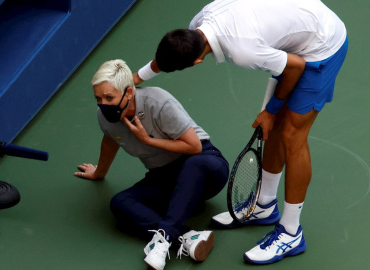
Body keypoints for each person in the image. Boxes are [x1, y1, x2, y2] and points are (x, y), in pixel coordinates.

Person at [132, 0, 348, 265]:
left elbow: (295, 67)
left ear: (198, 61)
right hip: (296, 29)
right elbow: (166, 59)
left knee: (292, 135)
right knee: (276, 127)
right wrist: (134, 79)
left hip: (322, 44)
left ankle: (291, 232)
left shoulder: (243, 51)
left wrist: (270, 110)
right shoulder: (196, 27)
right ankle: (264, 205)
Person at [74, 59, 229, 270]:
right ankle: (188, 236)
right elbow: (110, 142)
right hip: (165, 176)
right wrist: (99, 173)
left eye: (109, 97)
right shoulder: (105, 117)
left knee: (195, 165)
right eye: (98, 98)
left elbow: (194, 147)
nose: (103, 104)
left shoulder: (158, 103)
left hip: (205, 168)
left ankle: (163, 239)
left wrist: (148, 140)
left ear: (128, 93)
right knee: (120, 202)